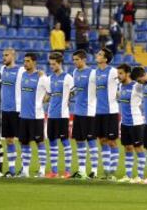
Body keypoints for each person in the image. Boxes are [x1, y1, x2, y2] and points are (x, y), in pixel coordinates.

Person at [17, 53, 49, 178]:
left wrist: (42, 101)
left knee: (39, 142)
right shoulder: (23, 75)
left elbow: (51, 92)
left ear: (34, 62)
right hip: (23, 115)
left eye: (28, 61)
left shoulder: (41, 77)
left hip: (36, 116)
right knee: (24, 143)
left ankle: (42, 170)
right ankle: (25, 170)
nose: (25, 63)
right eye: (24, 61)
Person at [45, 52, 74, 179]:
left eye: (54, 64)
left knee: (65, 141)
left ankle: (67, 171)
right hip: (51, 114)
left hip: (62, 115)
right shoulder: (49, 78)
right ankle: (54, 171)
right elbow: (48, 96)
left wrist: (67, 99)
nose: (51, 66)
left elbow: (73, 92)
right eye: (50, 64)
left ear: (60, 63)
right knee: (52, 142)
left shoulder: (67, 77)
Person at [116, 64, 145, 184]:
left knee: (138, 148)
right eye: (118, 73)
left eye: (121, 73)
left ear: (128, 73)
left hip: (136, 122)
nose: (119, 76)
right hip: (124, 122)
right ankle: (128, 175)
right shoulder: (120, 86)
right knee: (127, 148)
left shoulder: (137, 86)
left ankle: (140, 176)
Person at [70, 49, 97, 179]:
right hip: (77, 111)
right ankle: (82, 170)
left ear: (84, 60)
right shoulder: (75, 72)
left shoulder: (92, 73)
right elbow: (75, 89)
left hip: (89, 112)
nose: (75, 62)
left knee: (91, 140)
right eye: (74, 60)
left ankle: (94, 171)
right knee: (79, 140)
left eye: (77, 59)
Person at [0, 49, 25, 177]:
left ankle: (23, 169)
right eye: (3, 55)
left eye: (6, 55)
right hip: (5, 109)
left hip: (17, 110)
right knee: (8, 140)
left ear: (13, 56)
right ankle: (12, 169)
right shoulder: (2, 69)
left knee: (21, 140)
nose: (4, 57)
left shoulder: (20, 71)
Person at [95, 48, 119, 179]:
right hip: (98, 112)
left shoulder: (113, 71)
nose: (97, 55)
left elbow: (121, 83)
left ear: (105, 59)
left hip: (111, 111)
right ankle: (106, 170)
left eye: (99, 54)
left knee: (112, 142)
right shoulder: (95, 72)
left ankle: (113, 171)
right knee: (102, 140)